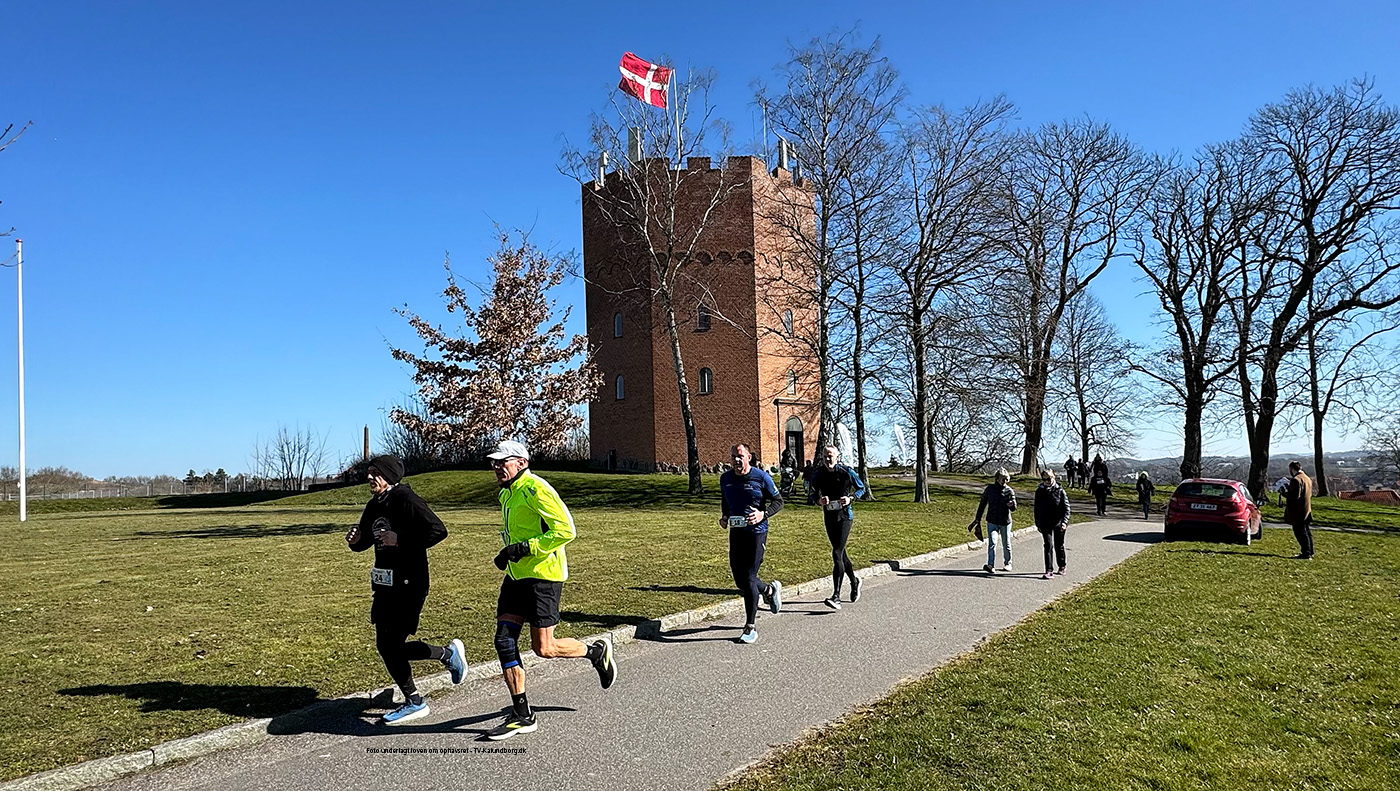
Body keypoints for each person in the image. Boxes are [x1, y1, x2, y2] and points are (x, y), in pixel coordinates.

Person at [484, 440, 617, 741]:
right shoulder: (507, 493)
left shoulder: (536, 488)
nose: (496, 467)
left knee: (543, 648)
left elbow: (566, 530)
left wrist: (526, 547)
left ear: (520, 462)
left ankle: (595, 652)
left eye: (501, 461)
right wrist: (507, 553)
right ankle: (522, 714)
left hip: (544, 577)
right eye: (493, 462)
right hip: (516, 577)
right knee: (504, 641)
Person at [346, 454, 467, 725]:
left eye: (375, 472)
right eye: (369, 472)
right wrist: (356, 540)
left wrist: (401, 539)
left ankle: (415, 700)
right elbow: (367, 540)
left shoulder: (406, 499)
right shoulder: (374, 504)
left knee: (391, 646)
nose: (369, 477)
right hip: (384, 582)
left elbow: (437, 530)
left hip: (410, 582)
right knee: (387, 646)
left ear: (389, 475)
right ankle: (445, 657)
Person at [719, 443, 785, 643]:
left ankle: (750, 626)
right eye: (733, 457)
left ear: (748, 457)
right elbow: (726, 499)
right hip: (736, 532)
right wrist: (724, 516)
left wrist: (762, 514)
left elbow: (779, 501)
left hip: (757, 532)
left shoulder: (761, 477)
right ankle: (769, 590)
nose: (736, 460)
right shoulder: (726, 479)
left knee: (749, 577)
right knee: (740, 581)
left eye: (740, 456)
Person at [805, 444, 868, 610]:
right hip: (829, 516)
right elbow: (812, 492)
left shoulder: (846, 471)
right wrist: (818, 501)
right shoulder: (819, 474)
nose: (828, 459)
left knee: (837, 552)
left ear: (837, 456)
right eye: (825, 456)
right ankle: (854, 582)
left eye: (831, 456)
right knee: (841, 553)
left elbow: (862, 488)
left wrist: (851, 498)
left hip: (845, 516)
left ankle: (836, 596)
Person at [970, 468, 1017, 573]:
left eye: (1006, 479)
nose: (1004, 481)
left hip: (1005, 522)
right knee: (992, 543)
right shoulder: (990, 489)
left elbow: (1014, 507)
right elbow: (982, 504)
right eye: (1002, 479)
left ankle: (1008, 563)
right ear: (997, 478)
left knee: (1006, 543)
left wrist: (1012, 505)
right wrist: (977, 519)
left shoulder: (1009, 491)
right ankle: (991, 565)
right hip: (992, 520)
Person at [1034, 469, 1071, 579]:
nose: (1047, 481)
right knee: (1048, 545)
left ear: (1053, 477)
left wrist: (1064, 522)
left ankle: (1062, 565)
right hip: (1045, 522)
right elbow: (1037, 508)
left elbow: (1067, 508)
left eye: (1049, 478)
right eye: (1044, 479)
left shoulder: (1060, 491)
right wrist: (1038, 523)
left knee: (1059, 545)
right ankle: (1049, 570)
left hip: (1058, 522)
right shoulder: (1039, 491)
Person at [1284, 460, 1315, 560]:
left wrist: (1284, 492)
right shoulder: (1307, 478)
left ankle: (1306, 552)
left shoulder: (1296, 480)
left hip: (1298, 511)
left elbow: (1294, 496)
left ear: (1292, 469)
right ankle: (1310, 550)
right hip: (1307, 509)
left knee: (1300, 532)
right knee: (1307, 531)